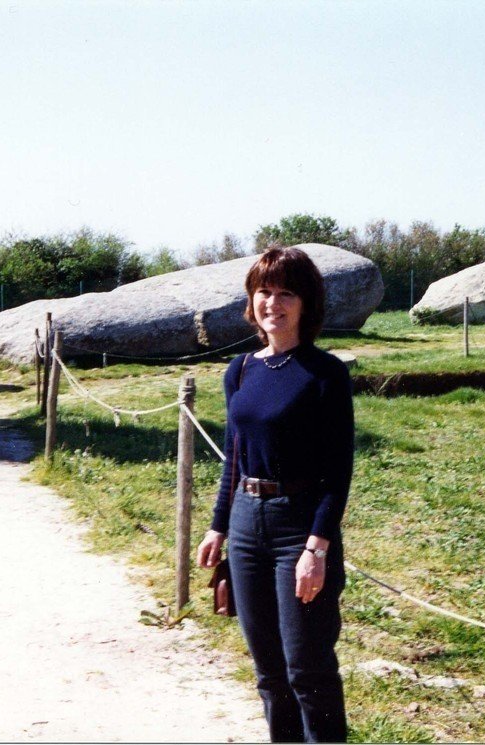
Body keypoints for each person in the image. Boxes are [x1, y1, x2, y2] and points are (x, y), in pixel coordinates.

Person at [196, 247, 354, 743]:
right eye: (264, 291)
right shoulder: (240, 370)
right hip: (245, 526)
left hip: (298, 530)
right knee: (268, 672)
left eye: (287, 292)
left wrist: (317, 549)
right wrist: (219, 526)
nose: (273, 303)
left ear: (306, 304)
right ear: (251, 300)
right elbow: (234, 457)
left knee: (307, 669)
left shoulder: (326, 374)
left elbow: (338, 472)